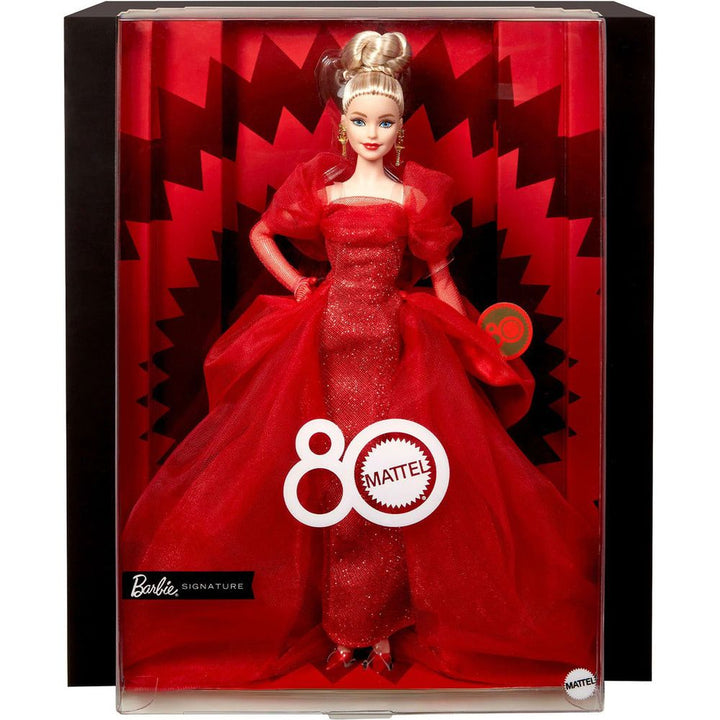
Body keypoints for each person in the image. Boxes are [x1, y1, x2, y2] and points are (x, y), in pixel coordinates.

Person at [121, 30, 598, 690]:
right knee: (328, 485)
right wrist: (296, 283)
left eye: (385, 122)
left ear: (400, 130)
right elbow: (263, 233)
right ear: (342, 125)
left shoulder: (415, 198)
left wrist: (474, 340)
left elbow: (442, 280)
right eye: (360, 120)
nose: (372, 133)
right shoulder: (321, 192)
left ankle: (381, 624)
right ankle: (341, 625)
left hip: (395, 349)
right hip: (323, 347)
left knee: (392, 479)